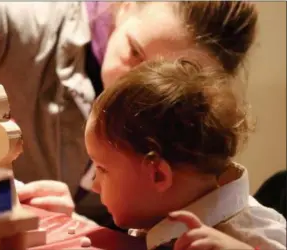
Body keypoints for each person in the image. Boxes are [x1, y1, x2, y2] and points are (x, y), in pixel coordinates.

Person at [0, 2, 258, 226]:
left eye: (164, 87)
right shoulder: (37, 22)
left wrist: (75, 217)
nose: (133, 85)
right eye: (135, 53)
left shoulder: (186, 125)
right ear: (125, 8)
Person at [85, 58, 286, 249]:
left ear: (158, 175)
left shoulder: (254, 236)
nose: (94, 185)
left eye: (102, 169)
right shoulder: (157, 214)